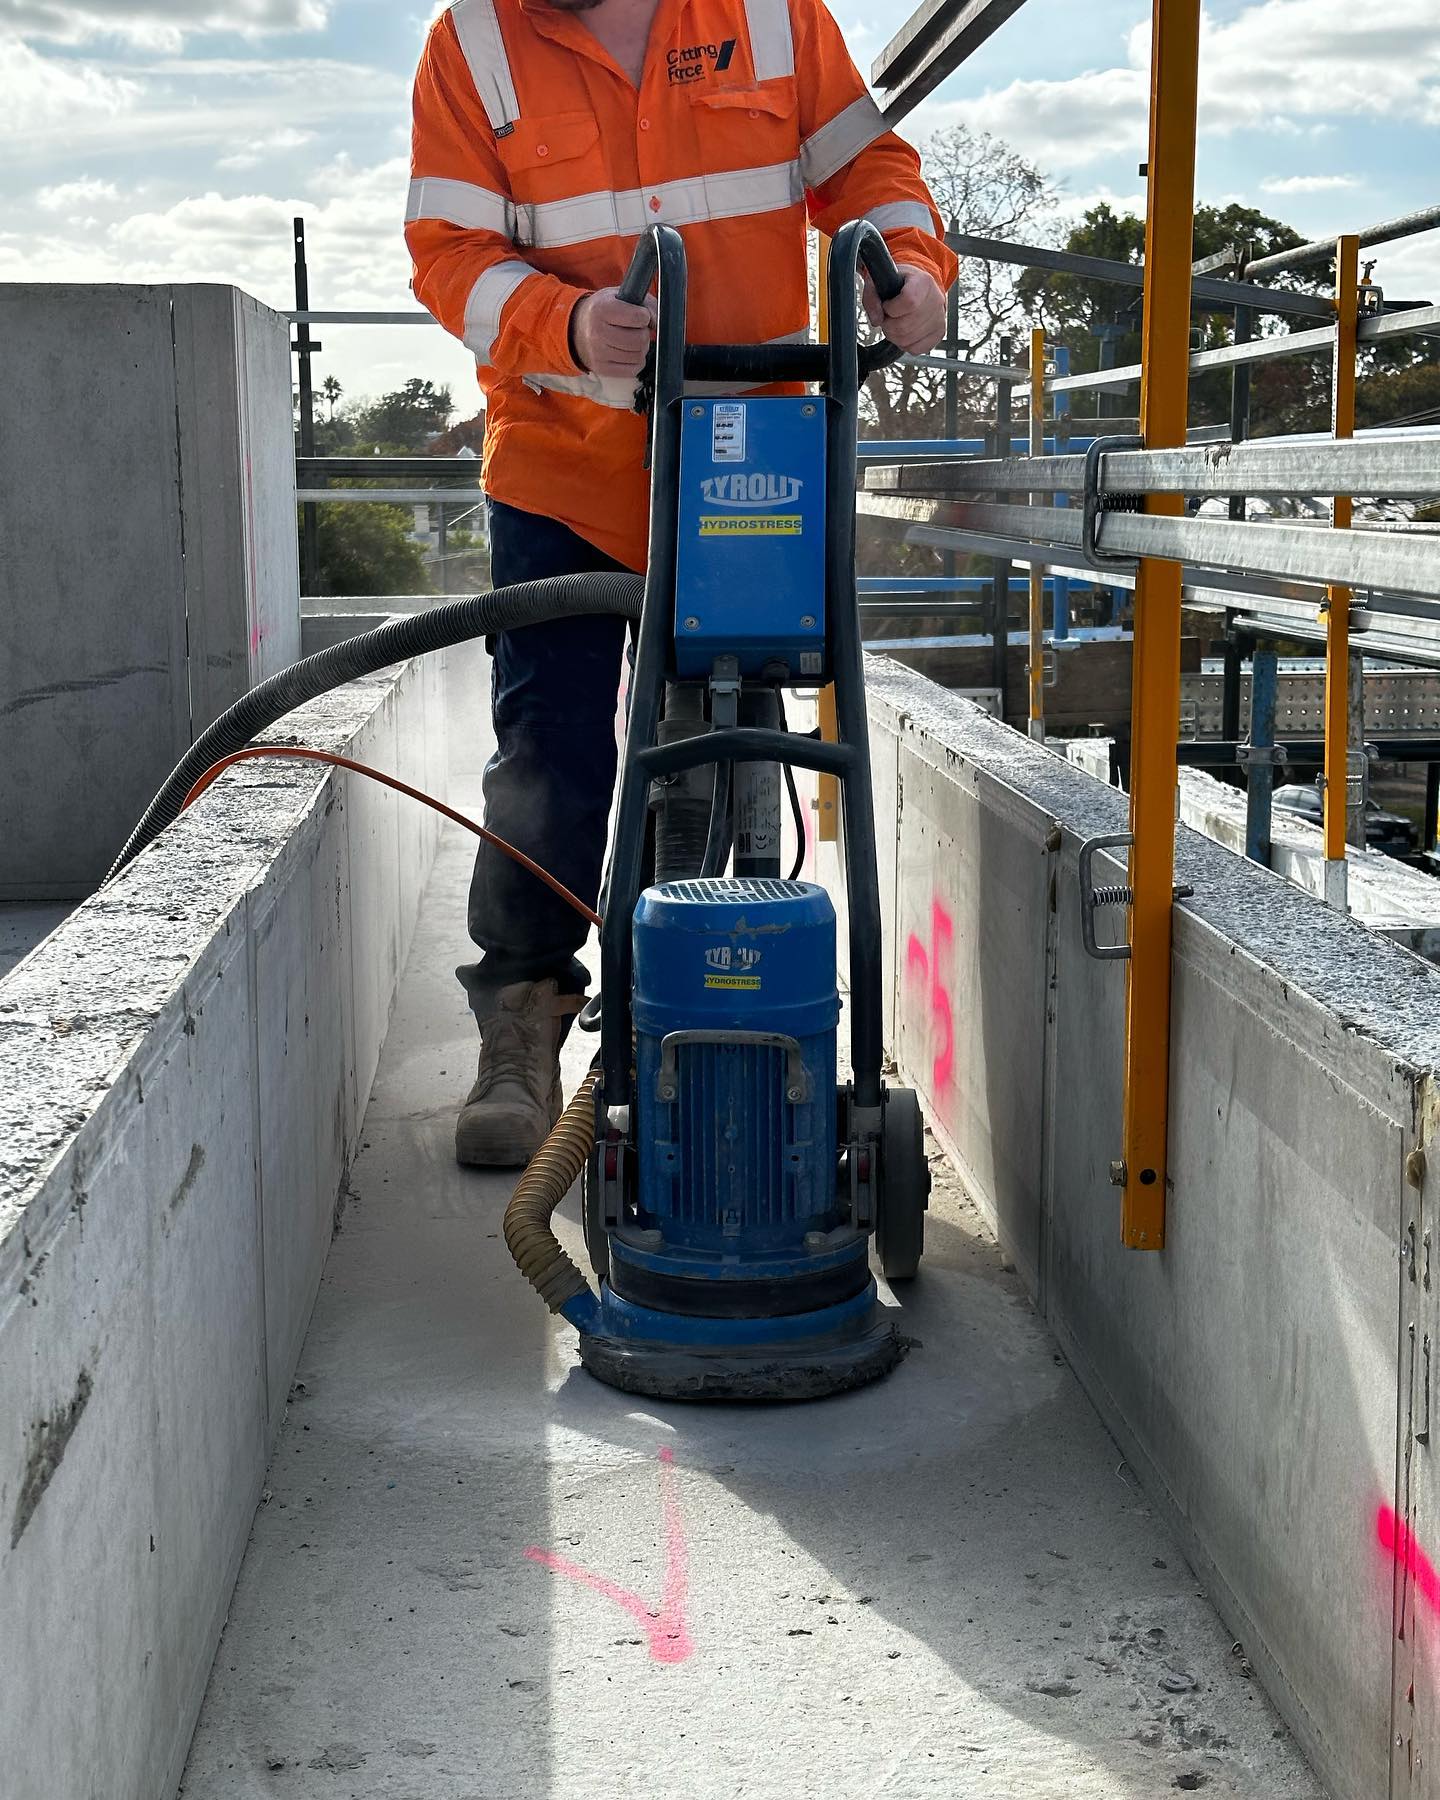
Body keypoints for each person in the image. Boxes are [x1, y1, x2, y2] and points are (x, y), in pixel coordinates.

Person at [406, 0, 957, 1167]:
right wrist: (565, 323)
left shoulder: (768, 16)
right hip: (565, 473)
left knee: (732, 750)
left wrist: (911, 266)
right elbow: (446, 255)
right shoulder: (476, 44)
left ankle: (713, 1012)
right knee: (550, 752)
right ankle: (522, 1020)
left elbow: (865, 165)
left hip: (743, 469)